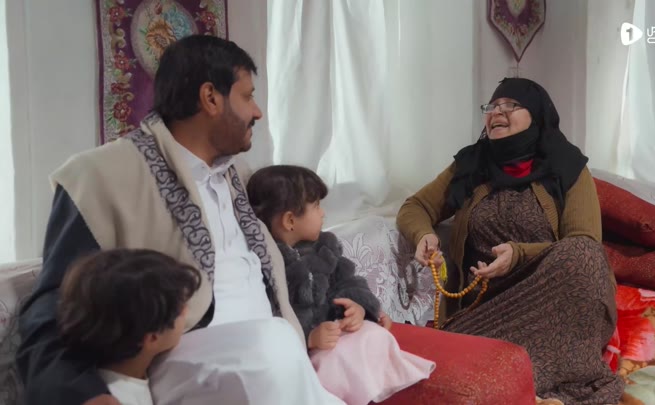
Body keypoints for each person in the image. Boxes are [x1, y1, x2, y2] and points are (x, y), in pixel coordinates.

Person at [16, 35, 343, 405]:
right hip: (177, 364)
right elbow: (53, 311)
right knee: (273, 342)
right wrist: (84, 394)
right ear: (211, 98)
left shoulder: (236, 177)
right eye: (248, 96)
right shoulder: (100, 176)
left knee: (286, 346)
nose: (257, 112)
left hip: (275, 367)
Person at [396, 77, 624, 403]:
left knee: (584, 254)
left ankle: (541, 385)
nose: (497, 113)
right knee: (457, 365)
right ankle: (525, 386)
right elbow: (415, 206)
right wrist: (425, 235)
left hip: (553, 301)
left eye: (510, 105)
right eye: (492, 106)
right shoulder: (471, 164)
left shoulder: (568, 167)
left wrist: (518, 255)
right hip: (487, 307)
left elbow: (584, 244)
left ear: (536, 115)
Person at [247, 165, 435, 405]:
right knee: (331, 363)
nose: (323, 213)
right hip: (302, 350)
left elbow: (348, 282)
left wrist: (359, 309)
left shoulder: (325, 247)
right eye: (316, 206)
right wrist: (308, 338)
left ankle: (372, 384)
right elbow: (270, 319)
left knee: (374, 336)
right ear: (290, 220)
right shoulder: (265, 265)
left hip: (336, 332)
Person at [57, 249, 201, 405]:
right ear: (152, 338)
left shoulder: (87, 379)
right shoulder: (118, 399)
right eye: (181, 309)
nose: (187, 311)